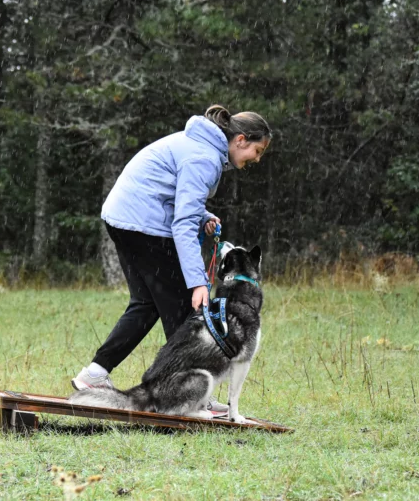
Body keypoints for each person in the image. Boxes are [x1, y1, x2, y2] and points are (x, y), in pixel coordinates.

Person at [71, 105, 272, 410]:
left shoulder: (201, 146)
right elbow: (181, 225)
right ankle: (187, 393)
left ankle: (95, 374)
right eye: (257, 151)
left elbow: (171, 192)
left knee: (147, 303)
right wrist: (198, 283)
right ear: (241, 140)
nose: (256, 160)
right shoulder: (204, 157)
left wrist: (201, 214)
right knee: (186, 307)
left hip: (123, 218)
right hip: (141, 224)